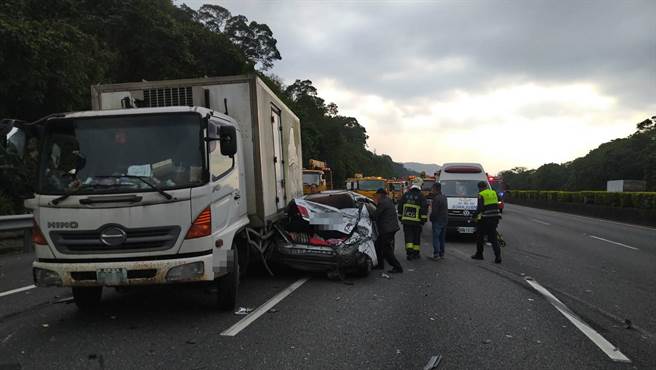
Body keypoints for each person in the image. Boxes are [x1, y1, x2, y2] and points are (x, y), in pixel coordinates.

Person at [373, 188, 403, 273]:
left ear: (380, 194)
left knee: (386, 250)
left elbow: (375, 215)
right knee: (378, 246)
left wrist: (370, 215)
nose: (376, 197)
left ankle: (397, 267)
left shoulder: (383, 203)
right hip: (391, 228)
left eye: (377, 195)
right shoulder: (388, 200)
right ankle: (380, 264)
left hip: (387, 229)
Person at [472, 181, 502, 263]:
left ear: (480, 188)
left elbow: (480, 208)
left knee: (480, 237)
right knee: (493, 238)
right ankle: (498, 256)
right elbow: (499, 201)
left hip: (485, 219)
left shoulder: (481, 195)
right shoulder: (493, 193)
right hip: (495, 218)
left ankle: (479, 255)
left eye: (479, 188)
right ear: (486, 186)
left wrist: (473, 216)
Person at [397, 181, 428, 260]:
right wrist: (423, 220)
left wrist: (400, 217)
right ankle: (416, 253)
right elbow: (424, 208)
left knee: (408, 237)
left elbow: (400, 206)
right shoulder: (421, 196)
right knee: (416, 237)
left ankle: (409, 253)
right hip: (417, 222)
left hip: (406, 221)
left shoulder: (406, 195)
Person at [430, 182, 448, 259]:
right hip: (444, 220)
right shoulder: (444, 197)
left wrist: (431, 218)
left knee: (436, 237)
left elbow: (434, 212)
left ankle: (436, 254)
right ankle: (442, 254)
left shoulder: (436, 199)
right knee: (442, 238)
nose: (432, 190)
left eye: (432, 189)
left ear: (435, 189)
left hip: (437, 220)